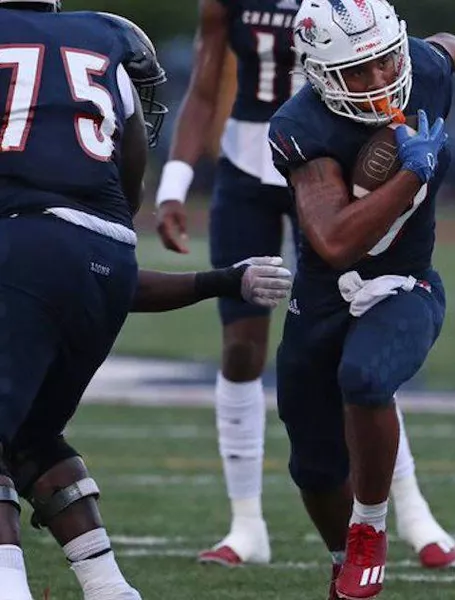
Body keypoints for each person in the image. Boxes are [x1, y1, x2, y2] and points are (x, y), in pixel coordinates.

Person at [155, 0, 455, 570]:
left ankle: (412, 509)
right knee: (243, 345)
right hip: (254, 162)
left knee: (368, 331)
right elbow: (204, 86)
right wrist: (175, 182)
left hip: (344, 156)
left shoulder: (351, 14)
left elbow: (431, 51)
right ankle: (245, 522)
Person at [0, 3, 291, 599]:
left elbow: (41, 252)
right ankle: (110, 588)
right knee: (30, 437)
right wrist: (220, 280)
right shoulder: (106, 36)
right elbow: (122, 193)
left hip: (25, 241)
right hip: (105, 254)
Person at [268, 0, 455, 597]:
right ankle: (344, 556)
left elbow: (447, 45)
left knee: (367, 378)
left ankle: (369, 529)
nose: (377, 81)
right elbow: (334, 240)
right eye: (357, 72)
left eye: (383, 62)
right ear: (319, 73)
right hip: (323, 297)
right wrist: (408, 176)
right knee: (313, 465)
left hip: (406, 283)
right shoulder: (300, 125)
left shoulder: (419, 66)